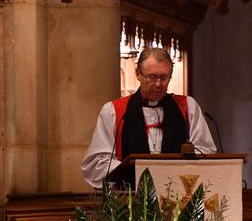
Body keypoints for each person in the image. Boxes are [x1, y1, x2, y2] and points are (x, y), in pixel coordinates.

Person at [80, 47, 216, 188]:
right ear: (138, 74)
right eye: (152, 77)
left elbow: (206, 153)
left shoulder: (187, 107)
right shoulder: (114, 111)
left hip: (178, 195)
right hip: (130, 198)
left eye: (164, 77)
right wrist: (136, 171)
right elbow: (98, 162)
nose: (158, 84)